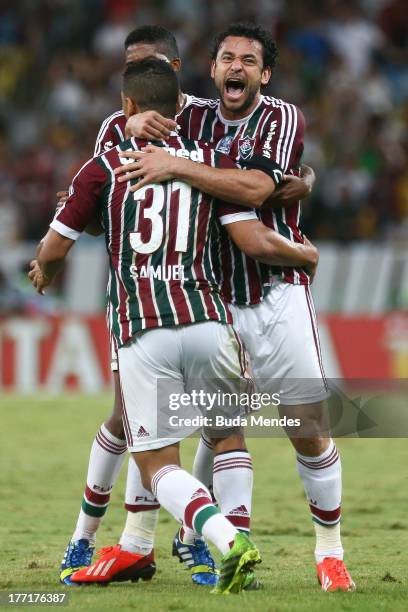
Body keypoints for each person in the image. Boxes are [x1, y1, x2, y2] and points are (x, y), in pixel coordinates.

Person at [30, 57, 318, 593]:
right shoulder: (211, 163)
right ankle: (230, 544)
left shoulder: (103, 166)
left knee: (156, 465)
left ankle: (223, 541)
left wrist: (43, 268)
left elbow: (54, 246)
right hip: (210, 323)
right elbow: (252, 237)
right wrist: (302, 253)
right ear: (181, 107)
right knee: (228, 434)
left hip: (144, 330)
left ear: (129, 107)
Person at [113, 23, 355, 593]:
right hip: (212, 297)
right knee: (219, 426)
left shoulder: (282, 118)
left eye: (249, 60)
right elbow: (129, 123)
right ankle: (193, 537)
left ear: (263, 75)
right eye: (227, 58)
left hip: (277, 290)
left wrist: (180, 167)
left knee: (306, 429)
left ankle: (329, 550)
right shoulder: (190, 116)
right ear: (213, 69)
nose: (237, 67)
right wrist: (129, 123)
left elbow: (253, 190)